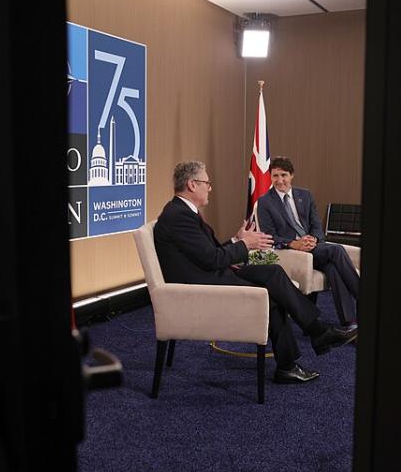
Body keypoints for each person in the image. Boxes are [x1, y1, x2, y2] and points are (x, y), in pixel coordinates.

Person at [154, 160, 357, 385]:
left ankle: (316, 334)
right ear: (193, 185)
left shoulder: (183, 212)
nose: (209, 188)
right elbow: (212, 259)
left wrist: (236, 240)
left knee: (273, 273)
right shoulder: (179, 216)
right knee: (271, 294)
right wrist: (245, 245)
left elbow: (207, 253)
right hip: (202, 285)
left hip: (211, 273)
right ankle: (293, 360)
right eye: (207, 183)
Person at [256, 156, 360, 327]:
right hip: (292, 252)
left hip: (314, 247)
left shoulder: (305, 195)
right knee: (337, 250)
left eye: (284, 175)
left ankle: (350, 324)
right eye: (275, 176)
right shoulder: (265, 202)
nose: (280, 180)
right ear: (270, 177)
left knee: (333, 267)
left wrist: (314, 239)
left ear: (292, 175)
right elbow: (269, 236)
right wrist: (293, 243)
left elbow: (317, 226)